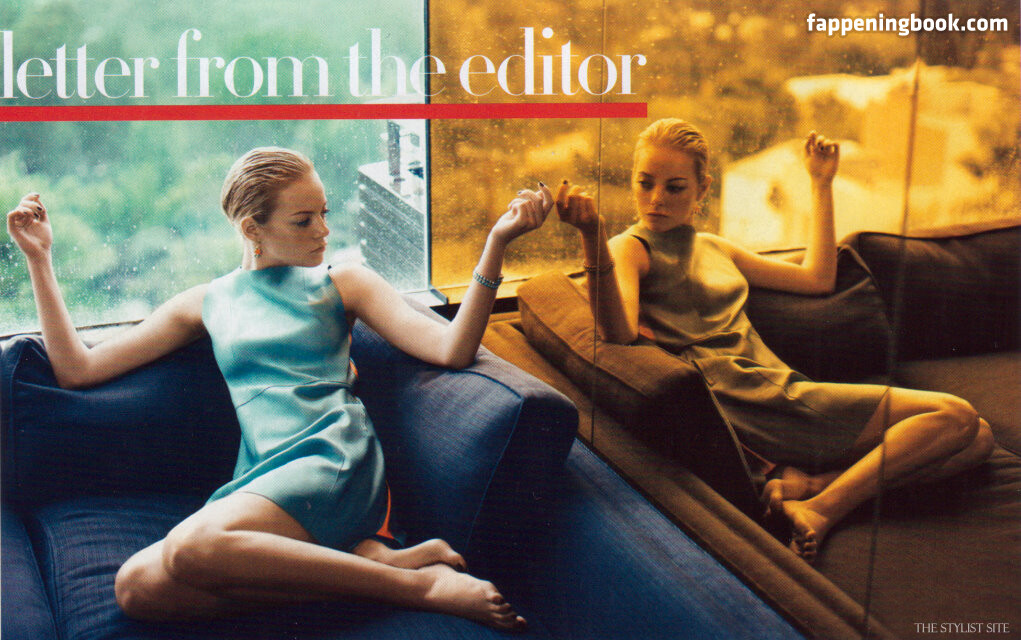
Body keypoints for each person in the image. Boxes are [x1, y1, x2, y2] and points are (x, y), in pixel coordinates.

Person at [6, 147, 554, 629]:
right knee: (138, 589)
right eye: (303, 220)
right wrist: (39, 258)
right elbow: (78, 370)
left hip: (331, 459)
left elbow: (452, 349)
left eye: (324, 214)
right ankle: (369, 565)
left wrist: (496, 244)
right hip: (263, 473)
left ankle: (419, 587)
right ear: (253, 229)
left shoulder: (343, 282)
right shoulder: (206, 303)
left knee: (192, 547)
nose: (323, 231)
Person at [555, 118, 994, 562]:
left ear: (702, 189)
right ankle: (823, 509)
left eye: (675, 187)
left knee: (978, 438)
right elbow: (619, 332)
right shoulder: (630, 247)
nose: (656, 199)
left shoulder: (715, 247)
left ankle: (814, 487)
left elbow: (818, 278)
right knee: (955, 416)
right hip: (738, 395)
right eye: (645, 182)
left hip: (776, 386)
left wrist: (821, 183)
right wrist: (592, 236)